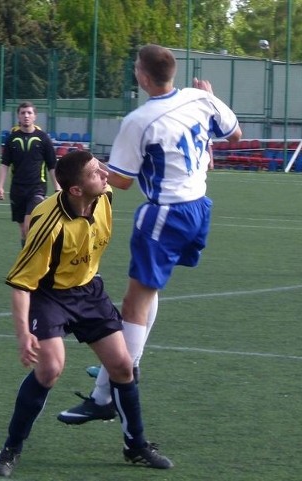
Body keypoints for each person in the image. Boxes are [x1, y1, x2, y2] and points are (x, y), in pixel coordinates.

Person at [57, 44, 242, 425]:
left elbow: (121, 181)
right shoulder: (201, 98)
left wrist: (90, 167)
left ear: (142, 76)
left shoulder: (140, 120)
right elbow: (235, 134)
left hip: (165, 213)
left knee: (133, 304)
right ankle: (125, 366)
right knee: (148, 291)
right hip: (198, 207)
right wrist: (210, 100)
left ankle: (106, 392)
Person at [0, 150, 173, 478]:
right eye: (94, 172)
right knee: (50, 369)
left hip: (89, 290)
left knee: (121, 365)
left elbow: (129, 174)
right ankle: (11, 447)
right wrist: (23, 334)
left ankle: (136, 445)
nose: (104, 174)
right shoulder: (47, 222)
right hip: (49, 296)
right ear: (75, 190)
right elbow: (20, 283)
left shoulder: (104, 197)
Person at [0, 101, 60, 247]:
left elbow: (52, 165)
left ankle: (35, 261)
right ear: (18, 116)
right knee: (23, 231)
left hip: (37, 188)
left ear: (35, 116)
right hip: (17, 190)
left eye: (29, 113)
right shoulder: (12, 139)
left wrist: (58, 187)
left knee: (28, 225)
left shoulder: (43, 138)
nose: (26, 116)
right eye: (23, 113)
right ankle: (27, 261)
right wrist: (0, 186)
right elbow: (5, 164)